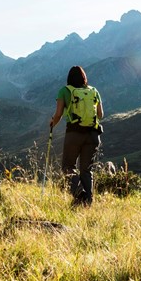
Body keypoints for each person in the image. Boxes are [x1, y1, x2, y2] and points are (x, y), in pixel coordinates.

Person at [49, 65, 104, 206]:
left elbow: (58, 114)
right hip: (92, 135)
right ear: (84, 77)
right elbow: (100, 115)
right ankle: (88, 202)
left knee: (68, 166)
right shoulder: (94, 91)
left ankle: (80, 194)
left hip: (74, 133)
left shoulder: (65, 91)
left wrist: (52, 123)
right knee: (86, 169)